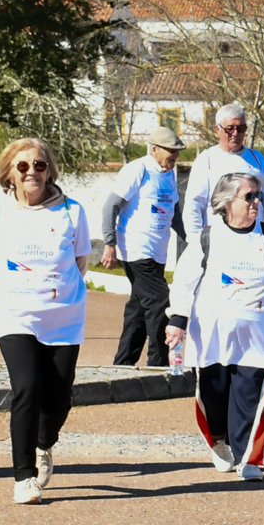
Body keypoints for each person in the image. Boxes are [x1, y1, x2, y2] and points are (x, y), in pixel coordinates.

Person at [166, 170, 264, 479]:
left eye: (258, 197)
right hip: (212, 333)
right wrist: (177, 321)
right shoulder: (207, 236)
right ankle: (219, 442)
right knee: (215, 394)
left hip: (257, 335)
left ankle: (249, 458)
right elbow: (185, 281)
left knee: (251, 395)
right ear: (227, 202)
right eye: (249, 196)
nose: (256, 203)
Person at [0, 138, 90, 505]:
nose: (32, 172)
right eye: (23, 166)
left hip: (63, 316)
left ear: (50, 171)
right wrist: (15, 295)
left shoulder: (72, 211)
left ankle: (45, 443)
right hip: (15, 314)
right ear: (10, 173)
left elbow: (80, 264)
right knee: (27, 387)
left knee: (59, 396)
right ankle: (23, 477)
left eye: (39, 166)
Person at [100, 126, 182, 367]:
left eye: (177, 152)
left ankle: (122, 364)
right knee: (159, 301)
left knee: (138, 309)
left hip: (158, 252)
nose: (175, 157)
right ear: (154, 149)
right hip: (136, 249)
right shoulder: (138, 169)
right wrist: (109, 243)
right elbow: (110, 207)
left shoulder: (169, 174)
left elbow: (174, 213)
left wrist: (195, 240)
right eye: (170, 151)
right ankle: (158, 365)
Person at [181, 103, 264, 254]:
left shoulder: (257, 159)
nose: (235, 133)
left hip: (254, 242)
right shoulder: (206, 160)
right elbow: (193, 205)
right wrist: (196, 243)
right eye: (230, 128)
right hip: (217, 244)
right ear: (217, 129)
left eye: (240, 128)